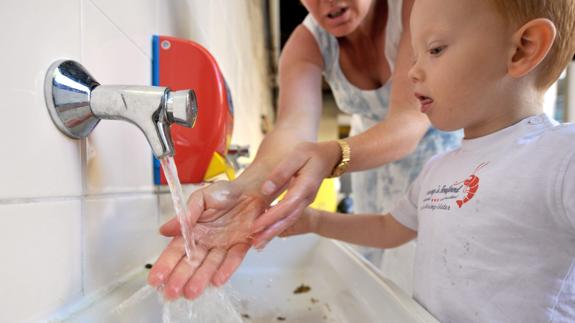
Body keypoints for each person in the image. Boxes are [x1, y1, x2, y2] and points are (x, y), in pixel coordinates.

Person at [280, 0, 575, 321]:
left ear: (523, 49)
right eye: (414, 55)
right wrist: (314, 222)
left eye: (435, 50)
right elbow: (388, 228)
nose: (412, 71)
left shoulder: (560, 156)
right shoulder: (439, 169)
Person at [148, 0, 460, 300]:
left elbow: (408, 122)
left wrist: (333, 154)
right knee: (374, 279)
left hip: (434, 169)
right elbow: (291, 129)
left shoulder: (413, 9)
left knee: (427, 278)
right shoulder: (307, 44)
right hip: (371, 173)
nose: (327, 2)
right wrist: (246, 186)